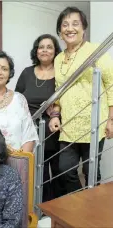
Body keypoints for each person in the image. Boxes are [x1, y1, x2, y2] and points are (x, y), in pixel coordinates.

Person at [49, 7, 113, 193]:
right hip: (68, 125)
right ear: (60, 32)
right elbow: (58, 91)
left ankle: (94, 213)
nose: (70, 28)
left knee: (91, 171)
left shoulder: (96, 51)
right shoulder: (59, 58)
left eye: (75, 24)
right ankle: (80, 204)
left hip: (94, 123)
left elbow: (111, 84)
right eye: (65, 25)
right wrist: (55, 115)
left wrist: (111, 119)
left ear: (83, 28)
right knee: (65, 170)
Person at [15, 34, 64, 201]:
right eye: (41, 47)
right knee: (38, 172)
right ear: (36, 51)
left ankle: (58, 209)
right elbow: (18, 100)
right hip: (31, 132)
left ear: (55, 51)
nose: (45, 50)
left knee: (58, 171)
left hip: (55, 129)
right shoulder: (27, 73)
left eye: (49, 47)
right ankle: (41, 208)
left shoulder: (62, 73)